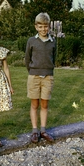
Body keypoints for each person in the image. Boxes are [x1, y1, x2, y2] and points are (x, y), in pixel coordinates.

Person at [25, 12, 56, 143]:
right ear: (36, 27)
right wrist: (33, 71)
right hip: (34, 76)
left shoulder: (53, 41)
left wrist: (48, 70)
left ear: (49, 26)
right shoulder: (31, 41)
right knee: (34, 104)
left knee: (44, 104)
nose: (44, 29)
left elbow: (53, 57)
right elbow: (27, 59)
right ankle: (34, 131)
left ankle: (43, 130)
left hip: (48, 76)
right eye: (41, 26)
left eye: (46, 26)